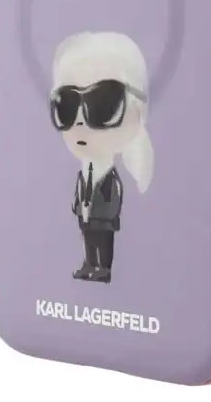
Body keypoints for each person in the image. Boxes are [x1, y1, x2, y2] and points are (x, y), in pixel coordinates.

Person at [49, 32, 154, 283]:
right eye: (66, 106)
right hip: (86, 218)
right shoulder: (84, 172)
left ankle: (103, 267)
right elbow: (80, 193)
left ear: (137, 114)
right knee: (88, 241)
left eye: (103, 104)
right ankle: (90, 264)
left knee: (103, 243)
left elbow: (112, 197)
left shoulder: (111, 177)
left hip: (103, 221)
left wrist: (104, 215)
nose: (80, 121)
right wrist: (80, 209)